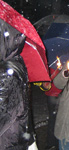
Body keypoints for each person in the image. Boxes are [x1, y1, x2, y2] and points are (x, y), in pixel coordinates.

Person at [0, 19, 37, 150]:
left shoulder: (6, 71)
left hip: (8, 142)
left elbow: (3, 113)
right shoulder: (14, 60)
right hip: (15, 138)